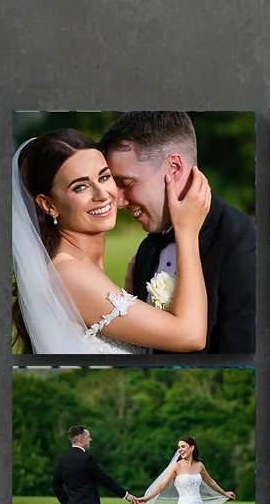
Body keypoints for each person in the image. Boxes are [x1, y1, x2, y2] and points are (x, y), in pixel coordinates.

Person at [12, 128, 213, 353]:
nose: (102, 194)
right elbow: (190, 336)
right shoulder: (70, 275)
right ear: (48, 205)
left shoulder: (84, 270)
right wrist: (186, 231)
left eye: (104, 177)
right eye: (80, 187)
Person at [100, 111, 258, 357]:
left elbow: (242, 356)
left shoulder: (245, 244)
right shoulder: (148, 247)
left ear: (173, 167)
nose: (118, 201)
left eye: (127, 184)